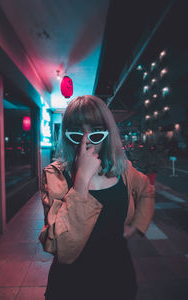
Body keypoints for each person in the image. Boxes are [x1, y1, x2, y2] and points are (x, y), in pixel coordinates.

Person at [40, 95, 155, 300]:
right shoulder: (55, 176)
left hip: (118, 279)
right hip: (70, 286)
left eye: (96, 132)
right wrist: (82, 180)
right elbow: (63, 249)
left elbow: (146, 189)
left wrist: (135, 226)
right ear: (66, 135)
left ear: (108, 133)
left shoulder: (122, 170)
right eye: (77, 133)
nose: (86, 141)